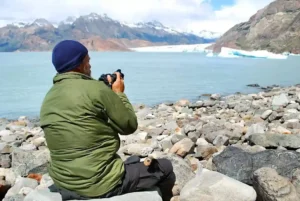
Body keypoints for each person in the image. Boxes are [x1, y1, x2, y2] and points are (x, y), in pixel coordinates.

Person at [40, 40, 176, 201]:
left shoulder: (49, 96)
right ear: (79, 64)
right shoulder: (97, 90)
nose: (90, 66)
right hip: (98, 184)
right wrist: (118, 93)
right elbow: (128, 126)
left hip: (63, 180)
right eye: (88, 61)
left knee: (132, 161)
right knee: (165, 167)